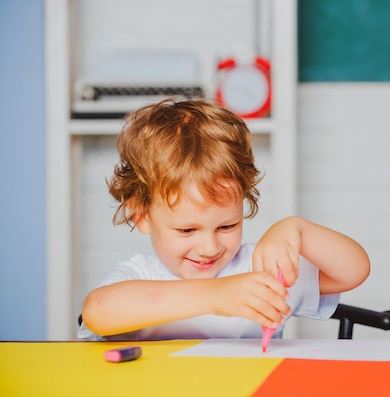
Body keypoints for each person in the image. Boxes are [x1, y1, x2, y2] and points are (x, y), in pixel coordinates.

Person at [78, 98, 370, 341]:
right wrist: (217, 295)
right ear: (140, 215)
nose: (209, 247)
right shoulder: (141, 276)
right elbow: (97, 312)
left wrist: (298, 229)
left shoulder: (261, 269)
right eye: (187, 229)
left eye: (227, 226)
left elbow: (353, 271)